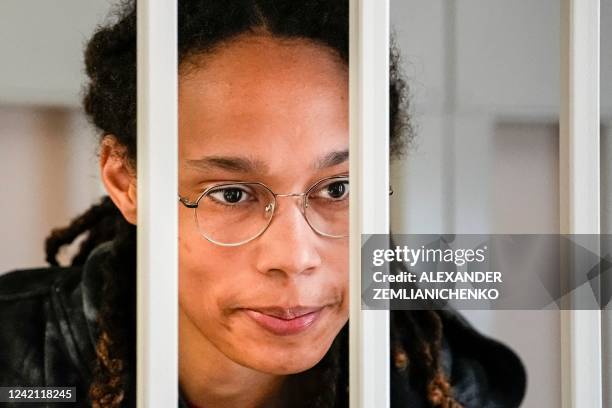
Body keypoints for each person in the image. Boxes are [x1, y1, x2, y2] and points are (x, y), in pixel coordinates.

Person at [0, 1, 526, 407]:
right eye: (231, 195)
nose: (296, 257)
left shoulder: (445, 383)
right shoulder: (17, 366)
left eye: (337, 189)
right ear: (124, 180)